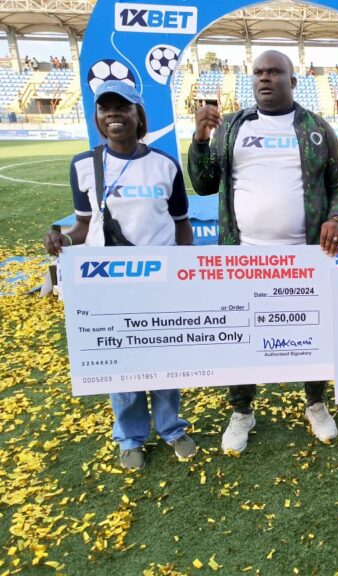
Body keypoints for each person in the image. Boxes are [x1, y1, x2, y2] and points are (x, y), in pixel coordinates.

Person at [188, 50, 338, 451]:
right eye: (258, 72)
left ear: (292, 82)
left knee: (312, 331)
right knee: (242, 337)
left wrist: (336, 218)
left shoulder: (316, 127)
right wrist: (200, 140)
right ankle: (242, 411)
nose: (264, 78)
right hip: (243, 256)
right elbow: (204, 184)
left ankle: (315, 403)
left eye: (275, 72)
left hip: (305, 256)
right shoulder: (232, 126)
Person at [43, 81, 196, 470]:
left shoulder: (166, 164)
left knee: (163, 357)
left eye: (122, 107)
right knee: (121, 360)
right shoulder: (85, 165)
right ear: (97, 117)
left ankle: (172, 428)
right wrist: (62, 239)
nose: (113, 113)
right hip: (109, 284)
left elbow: (181, 224)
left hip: (160, 282)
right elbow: (83, 227)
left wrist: (186, 271)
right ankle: (130, 437)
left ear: (138, 115)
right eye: (105, 108)